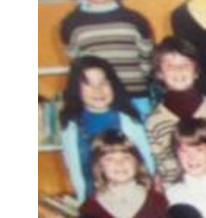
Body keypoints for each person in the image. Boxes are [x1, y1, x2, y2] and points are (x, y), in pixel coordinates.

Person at [59, 0, 155, 116]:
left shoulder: (135, 20)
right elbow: (78, 67)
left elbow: (147, 62)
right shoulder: (71, 24)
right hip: (96, 103)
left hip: (136, 99)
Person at [59, 56, 155, 202]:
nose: (98, 90)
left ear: (113, 85)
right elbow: (76, 172)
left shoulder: (130, 120)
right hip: (94, 201)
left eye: (103, 83)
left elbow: (148, 164)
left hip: (134, 198)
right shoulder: (71, 127)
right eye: (89, 85)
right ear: (76, 89)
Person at [145, 37, 206, 183]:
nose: (179, 70)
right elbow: (162, 164)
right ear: (159, 73)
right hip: (179, 194)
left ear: (196, 72)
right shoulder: (154, 120)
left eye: (185, 64)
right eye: (170, 65)